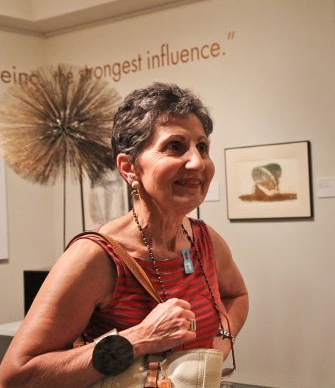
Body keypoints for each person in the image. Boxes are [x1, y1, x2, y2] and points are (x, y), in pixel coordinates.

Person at [0, 82, 249, 387]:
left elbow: (237, 295)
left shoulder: (205, 241)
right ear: (129, 167)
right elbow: (16, 375)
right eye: (175, 146)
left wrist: (221, 341)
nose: (197, 162)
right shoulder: (97, 257)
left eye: (202, 146)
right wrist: (139, 338)